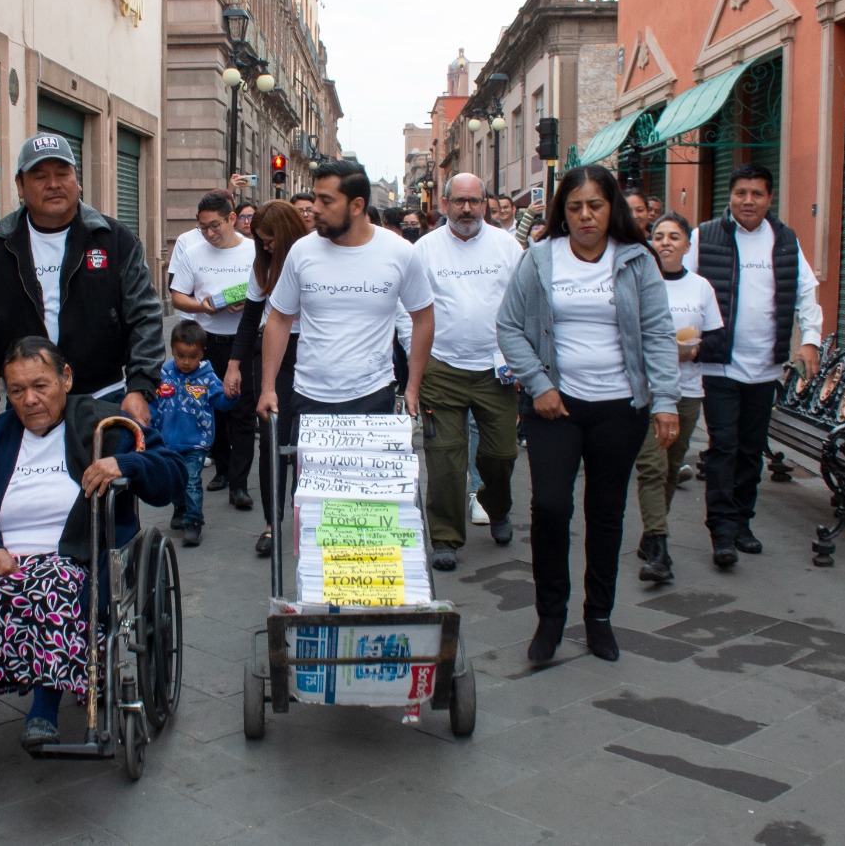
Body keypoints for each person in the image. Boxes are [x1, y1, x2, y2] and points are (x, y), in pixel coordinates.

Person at [0, 338, 186, 754]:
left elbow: (171, 477)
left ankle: (43, 711)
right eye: (16, 391)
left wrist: (124, 464)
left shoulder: (106, 425)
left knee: (53, 580)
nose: (30, 400)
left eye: (40, 386)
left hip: (70, 559)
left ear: (66, 378)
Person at [496, 163, 680, 666]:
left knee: (606, 512)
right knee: (551, 508)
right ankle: (550, 616)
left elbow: (659, 333)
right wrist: (540, 384)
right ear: (563, 212)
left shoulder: (636, 260)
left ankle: (598, 615)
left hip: (621, 408)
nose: (585, 216)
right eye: (575, 207)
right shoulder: (539, 259)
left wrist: (665, 400)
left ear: (611, 208)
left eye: (595, 206)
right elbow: (509, 327)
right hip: (555, 407)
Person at [0, 133, 164, 433]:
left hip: (103, 398)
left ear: (77, 179)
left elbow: (145, 317)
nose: (53, 184)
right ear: (20, 185)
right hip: (27, 406)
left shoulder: (115, 240)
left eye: (62, 173)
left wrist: (140, 387)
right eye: (39, 176)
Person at [687, 163, 822, 566]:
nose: (748, 201)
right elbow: (680, 286)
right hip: (718, 366)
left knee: (750, 451)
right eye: (741, 193)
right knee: (723, 447)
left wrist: (810, 341)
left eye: (757, 194)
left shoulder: (785, 240)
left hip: (766, 367)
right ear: (731, 196)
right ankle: (722, 531)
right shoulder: (704, 237)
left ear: (769, 198)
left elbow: (806, 293)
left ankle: (743, 520)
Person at [258, 160, 435, 421]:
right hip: (310, 395)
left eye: (326, 201)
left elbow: (423, 317)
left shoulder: (399, 252)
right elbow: (279, 318)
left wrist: (413, 386)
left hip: (374, 394)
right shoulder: (302, 251)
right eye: (315, 197)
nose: (315, 209)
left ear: (357, 205)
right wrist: (268, 387)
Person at [417, 174, 523, 572]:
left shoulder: (507, 246)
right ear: (444, 204)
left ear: (485, 204)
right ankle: (445, 538)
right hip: (441, 366)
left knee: (501, 454)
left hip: (497, 367)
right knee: (444, 457)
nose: (466, 209)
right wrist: (417, 355)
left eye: (474, 202)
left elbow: (522, 303)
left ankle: (497, 507)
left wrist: (514, 354)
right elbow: (406, 308)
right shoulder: (425, 249)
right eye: (459, 201)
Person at [633, 213, 721, 583]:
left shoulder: (701, 287)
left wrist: (693, 352)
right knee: (651, 466)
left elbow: (717, 338)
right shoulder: (640, 283)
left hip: (688, 392)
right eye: (659, 235)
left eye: (674, 236)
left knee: (671, 467)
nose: (666, 242)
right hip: (649, 392)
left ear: (688, 245)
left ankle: (653, 530)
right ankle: (661, 546)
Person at [226, 199, 306, 557]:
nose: (265, 246)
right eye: (260, 241)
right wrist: (234, 364)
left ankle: (305, 519)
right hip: (274, 355)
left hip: (313, 353)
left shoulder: (311, 256)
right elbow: (250, 318)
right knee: (272, 440)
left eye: (269, 239)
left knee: (305, 444)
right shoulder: (263, 266)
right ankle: (272, 524)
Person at [168, 192, 257, 509]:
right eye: (203, 227)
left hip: (244, 340)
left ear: (232, 218)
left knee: (243, 411)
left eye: (215, 225)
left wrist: (250, 303)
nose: (209, 233)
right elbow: (178, 295)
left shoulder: (253, 250)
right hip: (206, 340)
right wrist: (202, 306)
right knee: (209, 407)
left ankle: (240, 483)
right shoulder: (193, 252)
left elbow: (268, 288)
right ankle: (221, 467)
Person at [156, 321, 238, 547]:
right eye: (180, 355)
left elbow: (221, 402)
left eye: (192, 357)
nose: (186, 362)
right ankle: (180, 509)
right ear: (172, 350)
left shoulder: (207, 377)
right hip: (167, 442)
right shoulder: (164, 374)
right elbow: (154, 402)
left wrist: (231, 395)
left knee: (192, 481)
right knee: (174, 480)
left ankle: (193, 521)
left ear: (202, 353)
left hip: (196, 442)